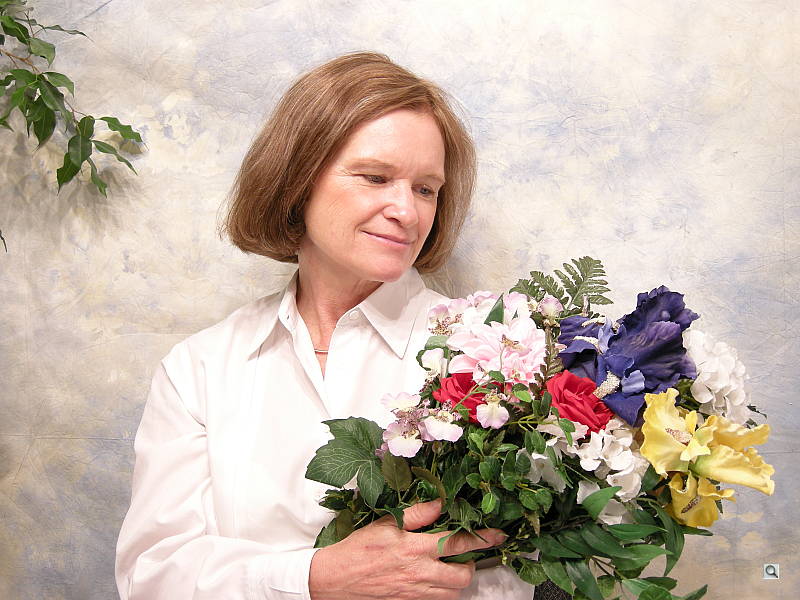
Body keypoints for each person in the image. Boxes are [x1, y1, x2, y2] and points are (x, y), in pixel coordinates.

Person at [115, 52, 536, 600]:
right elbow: (152, 575)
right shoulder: (200, 369)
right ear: (297, 180)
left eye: (426, 188)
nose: (407, 212)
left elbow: (525, 568)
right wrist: (312, 580)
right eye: (375, 177)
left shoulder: (496, 355)